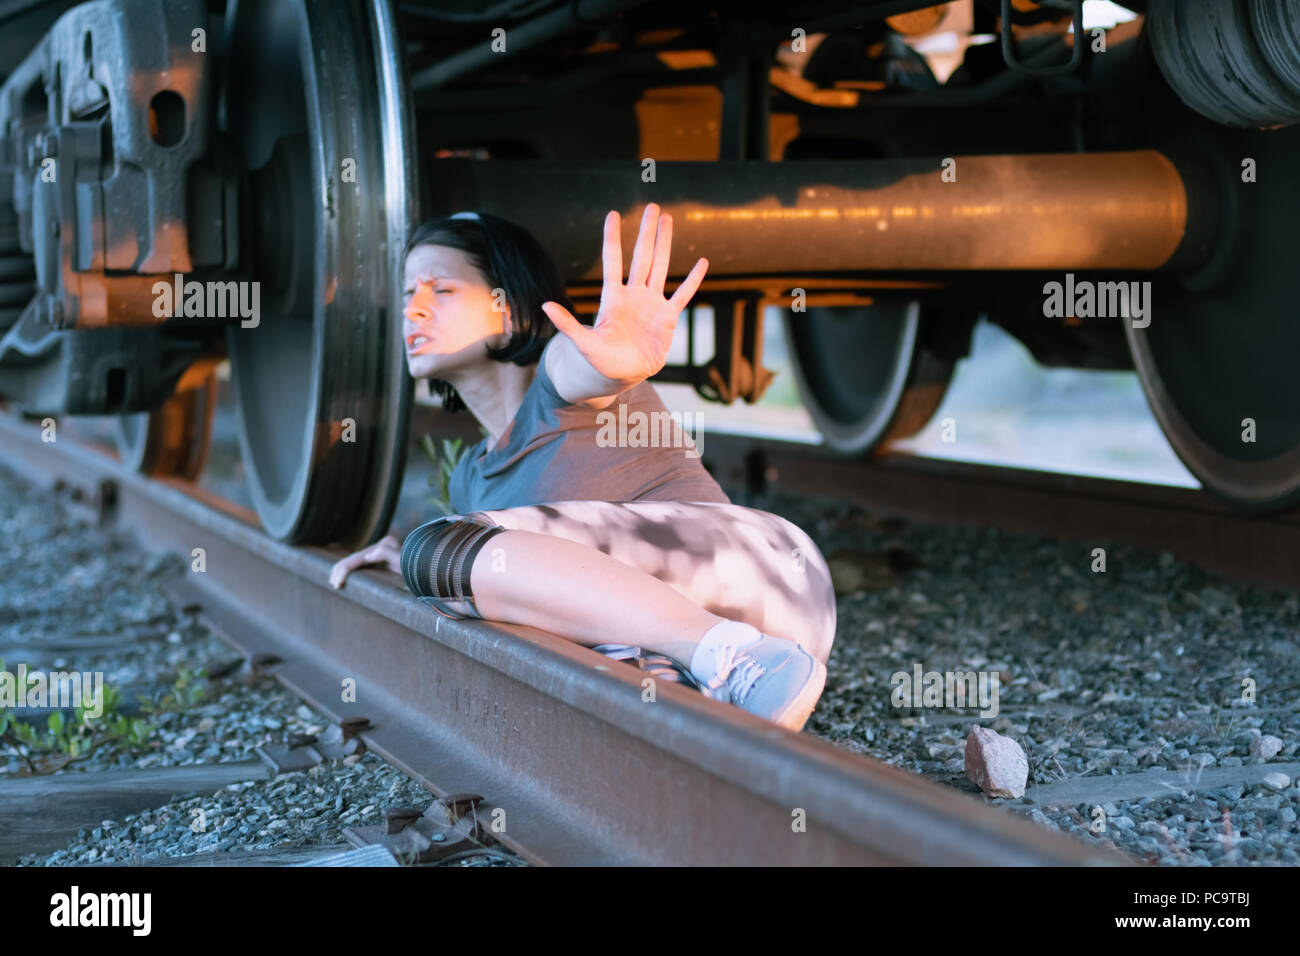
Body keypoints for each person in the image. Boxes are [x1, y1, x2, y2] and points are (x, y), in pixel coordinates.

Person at [328, 205, 836, 732]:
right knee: (451, 571)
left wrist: (611, 360)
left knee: (437, 552)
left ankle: (729, 653)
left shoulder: (555, 383)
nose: (414, 309)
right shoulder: (470, 481)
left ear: (508, 306)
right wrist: (410, 559)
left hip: (765, 569)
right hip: (704, 624)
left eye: (443, 290)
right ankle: (702, 678)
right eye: (408, 293)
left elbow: (582, 369)